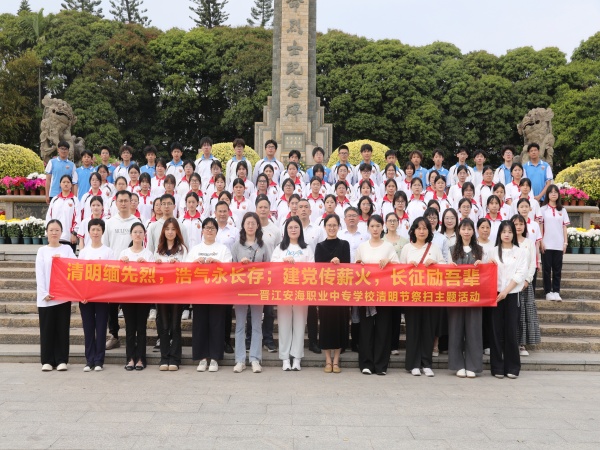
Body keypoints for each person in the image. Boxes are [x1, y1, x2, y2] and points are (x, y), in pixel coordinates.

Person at [399, 217, 445, 377]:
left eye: (425, 228)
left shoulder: (435, 248)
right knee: (413, 330)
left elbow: (444, 268)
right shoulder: (407, 248)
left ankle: (426, 363)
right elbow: (398, 271)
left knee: (428, 330)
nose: (421, 231)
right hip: (412, 296)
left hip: (431, 296)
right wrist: (408, 267)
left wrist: (435, 264)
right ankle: (413, 364)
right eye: (418, 228)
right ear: (413, 230)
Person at [186, 217, 233, 372]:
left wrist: (217, 263)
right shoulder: (195, 249)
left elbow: (229, 269)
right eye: (207, 228)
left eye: (213, 228)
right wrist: (195, 263)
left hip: (217, 293)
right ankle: (202, 358)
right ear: (202, 231)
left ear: (217, 231)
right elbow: (186, 269)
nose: (209, 231)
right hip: (199, 293)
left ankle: (214, 358)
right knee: (200, 325)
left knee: (216, 324)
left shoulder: (223, 249)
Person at [354, 215, 399, 375]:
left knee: (383, 329)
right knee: (366, 330)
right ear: (368, 228)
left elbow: (398, 268)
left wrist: (389, 262)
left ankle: (381, 365)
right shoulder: (362, 247)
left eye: (378, 226)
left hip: (384, 294)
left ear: (382, 227)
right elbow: (356, 268)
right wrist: (359, 265)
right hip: (366, 294)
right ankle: (366, 363)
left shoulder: (388, 247)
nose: (375, 229)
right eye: (372, 226)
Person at [271, 217, 315, 371]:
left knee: (300, 324)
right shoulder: (280, 248)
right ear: (286, 230)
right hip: (283, 291)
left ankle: (297, 357)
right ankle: (285, 358)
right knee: (284, 324)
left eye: (296, 227)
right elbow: (272, 265)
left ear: (300, 230)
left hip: (301, 291)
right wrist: (283, 260)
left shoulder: (306, 248)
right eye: (290, 227)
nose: (293, 230)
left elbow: (312, 268)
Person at [231, 212, 272, 374]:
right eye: (247, 223)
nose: (250, 226)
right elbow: (231, 268)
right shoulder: (236, 246)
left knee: (256, 325)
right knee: (240, 325)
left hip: (257, 290)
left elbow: (268, 267)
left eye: (253, 223)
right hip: (240, 290)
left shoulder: (263, 246)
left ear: (257, 226)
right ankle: (240, 360)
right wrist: (240, 266)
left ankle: (255, 358)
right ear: (243, 225)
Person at [102, 190, 141, 350]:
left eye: (126, 200)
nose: (124, 203)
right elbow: (106, 246)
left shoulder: (136, 221)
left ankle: (134, 335)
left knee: (132, 306)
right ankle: (114, 335)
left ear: (131, 202)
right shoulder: (110, 223)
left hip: (132, 271)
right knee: (112, 306)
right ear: (116, 203)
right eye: (121, 201)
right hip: (114, 270)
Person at [488, 220, 527, 378]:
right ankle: (497, 367)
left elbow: (520, 274)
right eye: (504, 232)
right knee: (496, 331)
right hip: (495, 295)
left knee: (511, 331)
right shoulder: (492, 251)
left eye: (510, 232)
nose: (507, 234)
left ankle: (512, 367)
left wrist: (505, 291)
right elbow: (486, 271)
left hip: (512, 295)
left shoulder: (521, 252)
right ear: (499, 234)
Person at [36, 219, 76, 372]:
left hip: (62, 297)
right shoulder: (42, 251)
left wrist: (62, 261)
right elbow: (40, 273)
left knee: (62, 329)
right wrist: (44, 293)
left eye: (57, 230)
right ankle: (47, 360)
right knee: (47, 329)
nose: (54, 233)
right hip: (46, 298)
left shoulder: (67, 249)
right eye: (51, 230)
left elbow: (75, 267)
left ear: (61, 232)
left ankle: (61, 360)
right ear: (47, 232)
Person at [447, 219, 486, 378]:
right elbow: (444, 271)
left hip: (475, 297)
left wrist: (483, 265)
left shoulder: (480, 250)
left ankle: (473, 365)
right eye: (463, 229)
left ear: (473, 231)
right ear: (459, 231)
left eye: (469, 229)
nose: (466, 232)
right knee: (455, 329)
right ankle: (457, 365)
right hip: (456, 296)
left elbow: (488, 271)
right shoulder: (451, 250)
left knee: (474, 330)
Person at [315, 214, 351, 374]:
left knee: (340, 325)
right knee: (326, 325)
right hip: (325, 293)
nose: (331, 228)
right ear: (325, 227)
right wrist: (329, 265)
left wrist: (339, 263)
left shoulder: (344, 244)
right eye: (329, 225)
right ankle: (327, 360)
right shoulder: (319, 246)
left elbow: (348, 266)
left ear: (338, 227)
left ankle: (336, 361)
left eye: (334, 225)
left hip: (341, 292)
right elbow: (317, 269)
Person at [78, 218, 115, 371]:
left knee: (101, 328)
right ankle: (89, 360)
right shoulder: (84, 252)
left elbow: (111, 275)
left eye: (98, 229)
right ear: (88, 232)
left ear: (102, 232)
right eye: (93, 229)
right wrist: (81, 294)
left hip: (102, 297)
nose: (95, 232)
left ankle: (99, 360)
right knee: (88, 328)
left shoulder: (108, 252)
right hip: (86, 297)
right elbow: (79, 276)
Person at [153, 218, 188, 371]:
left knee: (175, 325)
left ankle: (175, 358)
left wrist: (178, 265)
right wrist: (157, 265)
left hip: (177, 292)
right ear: (163, 231)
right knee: (163, 325)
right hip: (161, 292)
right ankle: (164, 357)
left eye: (173, 229)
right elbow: (153, 270)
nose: (170, 232)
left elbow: (187, 270)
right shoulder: (158, 249)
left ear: (177, 231)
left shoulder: (182, 249)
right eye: (167, 229)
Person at [119, 222, 154, 370]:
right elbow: (118, 274)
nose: (138, 235)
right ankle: (130, 358)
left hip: (143, 296)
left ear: (144, 234)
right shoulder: (124, 253)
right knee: (130, 328)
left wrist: (146, 264)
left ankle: (140, 359)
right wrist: (122, 263)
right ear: (131, 234)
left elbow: (153, 275)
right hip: (127, 296)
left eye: (140, 232)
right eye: (135, 232)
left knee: (141, 327)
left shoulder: (148, 254)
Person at [511, 214, 540, 357]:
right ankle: (509, 342)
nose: (518, 227)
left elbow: (532, 264)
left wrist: (527, 280)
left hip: (525, 285)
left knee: (524, 314)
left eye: (521, 224)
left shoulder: (529, 243)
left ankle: (521, 344)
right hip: (510, 285)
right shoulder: (506, 241)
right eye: (515, 224)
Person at [383, 212, 408, 357]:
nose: (392, 223)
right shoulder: (381, 240)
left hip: (398, 282)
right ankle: (384, 344)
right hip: (383, 282)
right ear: (385, 223)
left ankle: (394, 345)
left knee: (396, 315)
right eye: (389, 220)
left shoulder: (404, 241)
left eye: (394, 220)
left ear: (398, 223)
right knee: (384, 315)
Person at [540, 184, 569, 301]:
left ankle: (556, 291)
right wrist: (541, 242)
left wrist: (565, 243)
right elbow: (540, 226)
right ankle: (548, 291)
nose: (553, 194)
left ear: (558, 195)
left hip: (558, 244)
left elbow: (564, 227)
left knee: (557, 270)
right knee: (546, 269)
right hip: (546, 244)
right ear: (547, 194)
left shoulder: (562, 210)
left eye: (555, 192)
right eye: (551, 192)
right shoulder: (543, 209)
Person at [45, 175, 80, 253]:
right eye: (64, 182)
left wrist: (74, 233)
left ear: (71, 184)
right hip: (54, 236)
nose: (66, 184)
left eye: (68, 182)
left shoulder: (75, 200)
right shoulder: (55, 199)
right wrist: (48, 232)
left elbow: (78, 218)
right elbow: (49, 216)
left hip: (68, 238)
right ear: (60, 184)